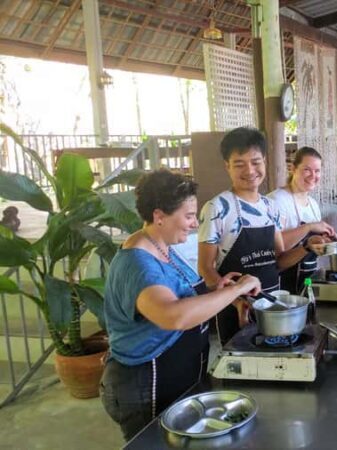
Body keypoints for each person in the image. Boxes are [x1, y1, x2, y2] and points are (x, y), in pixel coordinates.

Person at [100, 170, 261, 441]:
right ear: (159, 215)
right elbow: (172, 316)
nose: (193, 224)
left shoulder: (163, 247)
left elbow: (183, 297)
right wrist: (238, 288)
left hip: (178, 380)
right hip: (145, 387)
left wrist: (220, 293)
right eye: (188, 216)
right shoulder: (138, 264)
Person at [198, 127, 325, 344]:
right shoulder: (217, 207)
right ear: (227, 166)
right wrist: (237, 300)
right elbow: (206, 269)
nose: (249, 170)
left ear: (264, 162)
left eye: (256, 162)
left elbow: (278, 260)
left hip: (273, 306)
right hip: (237, 310)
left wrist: (306, 248)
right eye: (239, 164)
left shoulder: (270, 207)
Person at [268, 147, 337, 294]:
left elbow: (309, 245)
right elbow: (276, 248)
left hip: (306, 281)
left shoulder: (312, 204)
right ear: (293, 168)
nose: (313, 175)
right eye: (307, 169)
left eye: (317, 171)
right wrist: (309, 227)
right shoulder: (277, 200)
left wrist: (323, 241)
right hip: (281, 285)